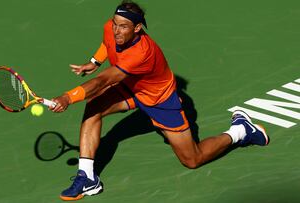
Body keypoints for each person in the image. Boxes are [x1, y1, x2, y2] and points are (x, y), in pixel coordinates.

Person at [50, 0, 270, 201]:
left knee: (193, 159)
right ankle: (87, 177)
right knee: (94, 107)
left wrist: (68, 97)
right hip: (131, 86)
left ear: (137, 28)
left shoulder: (141, 53)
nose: (117, 30)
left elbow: (103, 81)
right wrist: (94, 61)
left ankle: (240, 131)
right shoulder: (112, 27)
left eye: (123, 27)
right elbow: (107, 43)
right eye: (115, 23)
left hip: (159, 99)